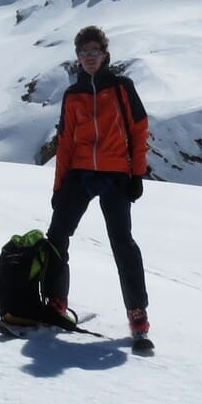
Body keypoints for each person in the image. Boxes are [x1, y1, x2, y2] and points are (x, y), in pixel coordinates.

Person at [45, 25, 153, 348]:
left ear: (105, 54)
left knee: (122, 242)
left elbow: (139, 130)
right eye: (84, 52)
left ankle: (137, 311)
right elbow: (65, 142)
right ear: (78, 57)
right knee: (56, 236)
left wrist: (137, 175)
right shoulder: (72, 95)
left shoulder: (121, 88)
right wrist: (59, 186)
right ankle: (56, 301)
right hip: (80, 173)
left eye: (95, 51)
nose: (90, 57)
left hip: (115, 174)